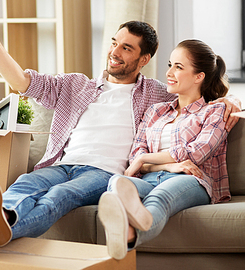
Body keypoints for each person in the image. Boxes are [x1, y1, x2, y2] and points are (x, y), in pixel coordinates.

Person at [0, 4, 241, 253]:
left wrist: (233, 102)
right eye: (114, 43)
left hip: (103, 173)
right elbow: (22, 82)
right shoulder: (77, 86)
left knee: (59, 197)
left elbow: (202, 96)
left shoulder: (156, 95)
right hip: (63, 163)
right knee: (26, 184)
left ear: (144, 60)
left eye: (126, 48)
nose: (114, 52)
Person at [98, 39, 231, 260]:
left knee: (159, 197)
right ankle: (127, 232)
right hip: (153, 176)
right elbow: (135, 153)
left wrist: (143, 161)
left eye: (179, 67)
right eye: (170, 64)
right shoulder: (156, 111)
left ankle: (129, 238)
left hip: (193, 180)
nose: (169, 72)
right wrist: (169, 164)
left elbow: (196, 152)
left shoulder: (214, 111)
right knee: (117, 182)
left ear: (199, 77)